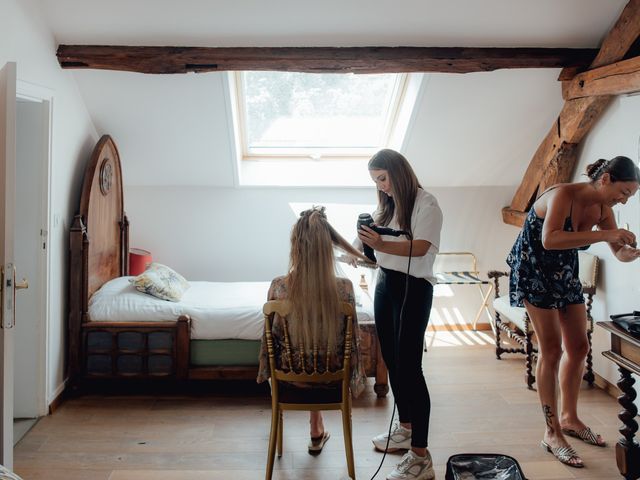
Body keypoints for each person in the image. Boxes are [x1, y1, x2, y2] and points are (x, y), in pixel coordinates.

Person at [507, 155, 640, 468]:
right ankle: (551, 433)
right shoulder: (563, 194)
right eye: (622, 193)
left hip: (564, 271)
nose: (622, 201)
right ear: (605, 179)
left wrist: (629, 252)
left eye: (629, 197)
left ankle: (570, 418)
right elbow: (550, 239)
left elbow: (617, 252)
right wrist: (606, 234)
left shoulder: (603, 209)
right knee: (551, 351)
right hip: (534, 270)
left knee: (579, 347)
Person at [357, 149, 443, 480]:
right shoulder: (387, 207)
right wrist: (354, 247)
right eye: (375, 181)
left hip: (414, 289)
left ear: (398, 173)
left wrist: (378, 244)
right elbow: (373, 248)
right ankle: (405, 430)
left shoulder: (427, 204)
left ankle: (421, 458)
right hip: (386, 283)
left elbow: (421, 246)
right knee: (392, 361)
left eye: (383, 178)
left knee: (410, 367)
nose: (381, 187)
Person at [257, 206, 369, 454]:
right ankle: (316, 426)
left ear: (296, 246)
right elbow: (351, 346)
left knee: (303, 348)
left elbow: (271, 343)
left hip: (289, 381)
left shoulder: (279, 287)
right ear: (327, 248)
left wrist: (269, 372)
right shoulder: (345, 289)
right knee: (319, 349)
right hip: (332, 380)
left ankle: (315, 426)